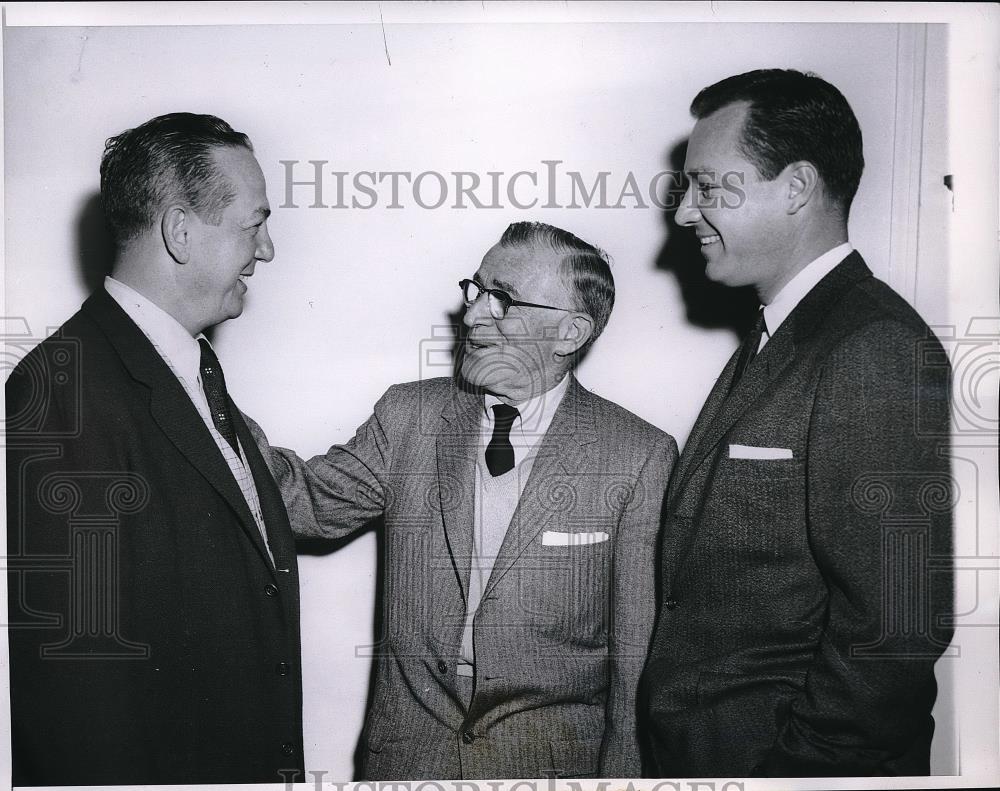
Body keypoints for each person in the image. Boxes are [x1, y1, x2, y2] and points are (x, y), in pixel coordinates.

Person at [249, 221, 678, 779]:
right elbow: (303, 501)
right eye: (475, 290)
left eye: (502, 299)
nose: (472, 314)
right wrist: (201, 403)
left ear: (570, 333)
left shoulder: (638, 454)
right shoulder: (408, 417)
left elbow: (635, 653)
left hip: (552, 766)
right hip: (409, 759)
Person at [639, 69, 953, 777]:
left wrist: (796, 774)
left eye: (708, 186)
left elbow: (895, 626)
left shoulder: (873, 345)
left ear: (797, 186)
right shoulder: (779, 334)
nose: (685, 212)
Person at [6, 113, 303, 785]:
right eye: (254, 224)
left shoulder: (190, 369)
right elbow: (77, 681)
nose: (266, 250)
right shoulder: (64, 390)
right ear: (179, 231)